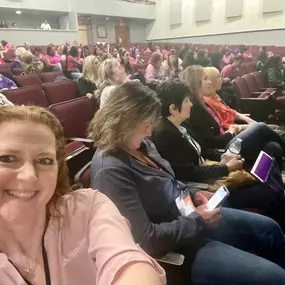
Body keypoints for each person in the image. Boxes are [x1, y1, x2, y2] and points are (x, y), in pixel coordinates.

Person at [90, 81, 285, 285]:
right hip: (177, 249)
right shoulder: (110, 171)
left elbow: (170, 182)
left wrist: (192, 193)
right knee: (275, 278)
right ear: (123, 121)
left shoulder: (141, 143)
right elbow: (145, 240)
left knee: (270, 230)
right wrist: (197, 220)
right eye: (146, 124)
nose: (150, 132)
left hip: (190, 219)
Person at [0, 105, 165, 285]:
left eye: (44, 160)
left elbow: (128, 262)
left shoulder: (86, 208)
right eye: (7, 158)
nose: (30, 175)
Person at [152, 79, 285, 228]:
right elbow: (189, 172)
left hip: (214, 170)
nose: (191, 104)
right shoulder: (164, 135)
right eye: (186, 101)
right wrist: (227, 167)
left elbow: (204, 150)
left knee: (269, 167)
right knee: (266, 191)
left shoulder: (182, 124)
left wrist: (223, 157)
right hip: (207, 185)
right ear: (173, 109)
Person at [181, 65, 285, 156]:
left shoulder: (203, 102)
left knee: (273, 147)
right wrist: (231, 132)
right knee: (261, 127)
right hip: (225, 146)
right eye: (205, 79)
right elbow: (210, 142)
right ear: (196, 83)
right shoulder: (194, 109)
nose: (209, 82)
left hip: (229, 136)